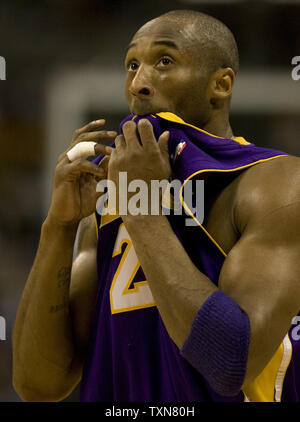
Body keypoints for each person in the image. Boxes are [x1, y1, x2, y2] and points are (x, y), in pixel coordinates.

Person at [12, 9, 300, 402]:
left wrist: (141, 207)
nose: (139, 84)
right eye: (131, 65)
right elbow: (38, 385)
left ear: (221, 83)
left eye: (164, 61)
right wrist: (58, 227)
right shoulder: (110, 209)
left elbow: (231, 363)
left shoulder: (275, 182)